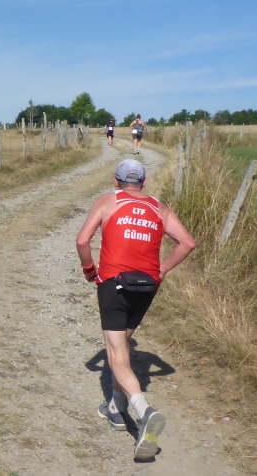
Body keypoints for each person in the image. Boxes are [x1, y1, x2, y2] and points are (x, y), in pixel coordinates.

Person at [75, 159, 195, 460]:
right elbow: (187, 243)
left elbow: (82, 240)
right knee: (123, 346)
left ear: (116, 182)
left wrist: (89, 270)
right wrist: (162, 270)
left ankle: (143, 411)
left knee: (115, 352)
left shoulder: (108, 201)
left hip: (114, 283)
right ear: (144, 182)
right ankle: (116, 407)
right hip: (146, 286)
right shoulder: (159, 208)